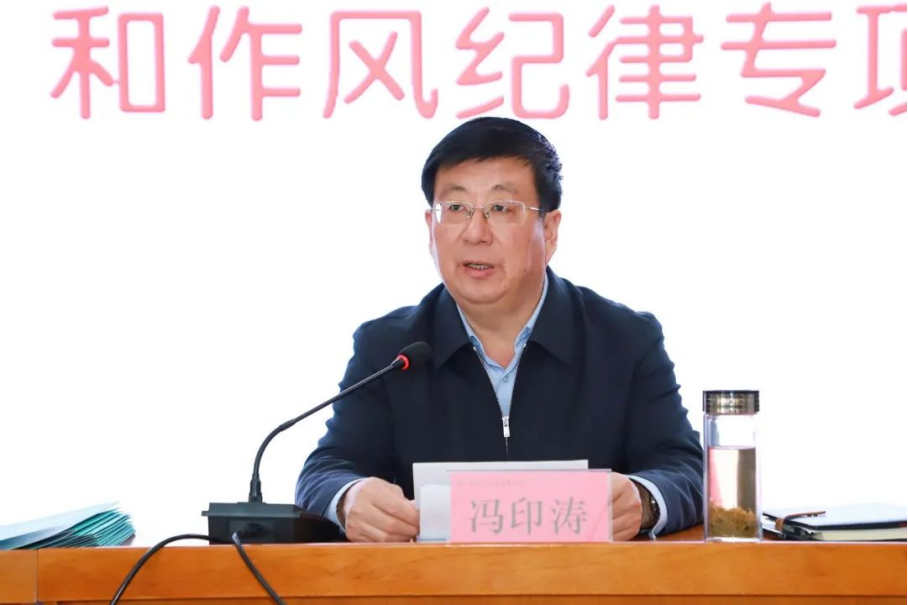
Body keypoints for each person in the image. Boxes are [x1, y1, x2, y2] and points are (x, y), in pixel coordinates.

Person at [296, 116, 703, 542]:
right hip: (434, 580)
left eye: (501, 209)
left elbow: (685, 468)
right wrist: (349, 498)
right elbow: (325, 471)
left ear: (549, 229)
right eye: (455, 209)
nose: (475, 233)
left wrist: (643, 499)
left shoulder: (624, 340)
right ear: (430, 228)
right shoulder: (390, 348)